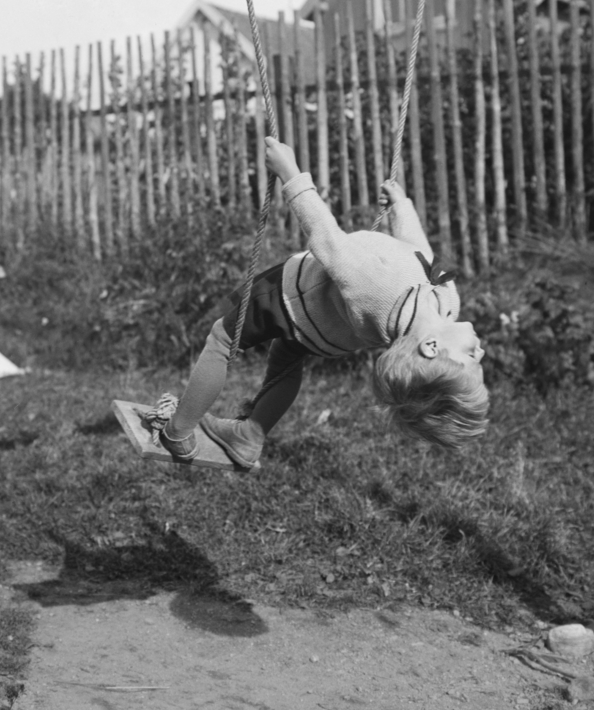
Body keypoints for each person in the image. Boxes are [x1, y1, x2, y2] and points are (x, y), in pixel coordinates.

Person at [153, 137, 488, 469]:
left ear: (431, 347)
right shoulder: (446, 302)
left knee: (222, 341)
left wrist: (292, 174)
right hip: (326, 337)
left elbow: (328, 240)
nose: (481, 351)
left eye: (471, 357)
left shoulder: (378, 286)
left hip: (289, 298)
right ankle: (250, 435)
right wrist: (403, 208)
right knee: (286, 362)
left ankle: (179, 431)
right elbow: (421, 252)